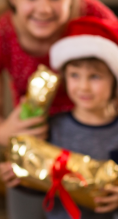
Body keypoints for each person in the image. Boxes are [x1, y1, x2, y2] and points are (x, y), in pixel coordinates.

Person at [0, 0, 117, 218]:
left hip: (99, 145)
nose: (44, 8)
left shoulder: (98, 22)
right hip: (35, 151)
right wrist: (2, 133)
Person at [46, 16, 118, 218]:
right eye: (74, 75)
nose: (84, 86)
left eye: (95, 76)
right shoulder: (53, 128)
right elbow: (39, 183)